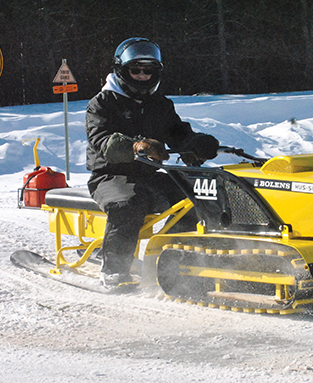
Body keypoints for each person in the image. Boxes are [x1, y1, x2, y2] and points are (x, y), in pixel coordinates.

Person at [85, 37, 219, 289]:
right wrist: (136, 146)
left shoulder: (160, 103)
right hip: (109, 176)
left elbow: (177, 132)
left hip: (149, 175)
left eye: (148, 71)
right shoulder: (102, 103)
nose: (142, 76)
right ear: (122, 71)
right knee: (128, 205)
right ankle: (114, 270)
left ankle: (176, 262)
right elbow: (101, 139)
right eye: (136, 70)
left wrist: (197, 144)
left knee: (196, 196)